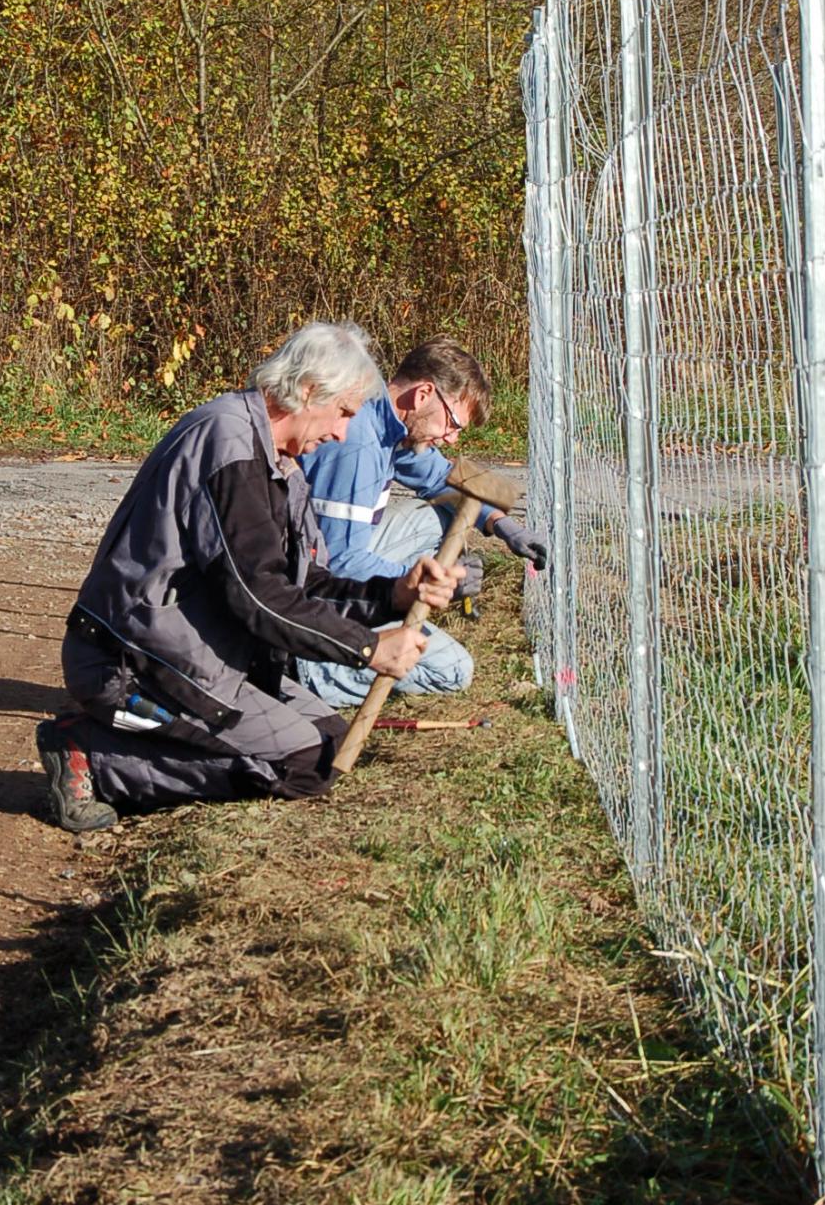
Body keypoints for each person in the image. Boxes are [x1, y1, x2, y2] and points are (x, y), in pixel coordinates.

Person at [35, 321, 459, 833]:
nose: (343, 432)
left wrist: (393, 594)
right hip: (132, 657)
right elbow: (257, 596)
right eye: (344, 412)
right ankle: (96, 759)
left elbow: (306, 586)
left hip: (207, 650)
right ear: (308, 391)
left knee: (331, 741)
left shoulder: (281, 463)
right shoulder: (229, 443)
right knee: (305, 764)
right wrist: (367, 649)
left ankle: (135, 747)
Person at [295, 337, 547, 707]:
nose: (453, 437)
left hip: (338, 553)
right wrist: (425, 583)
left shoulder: (387, 420)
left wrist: (501, 525)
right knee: (452, 669)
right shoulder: (357, 445)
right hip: (314, 588)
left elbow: (440, 477)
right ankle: (308, 666)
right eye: (454, 423)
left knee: (436, 515)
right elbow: (340, 563)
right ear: (424, 394)